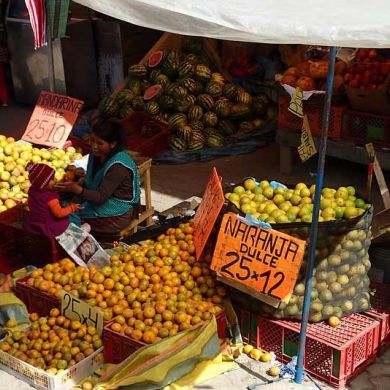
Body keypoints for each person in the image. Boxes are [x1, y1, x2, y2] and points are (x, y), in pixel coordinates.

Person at [55, 118, 140, 240]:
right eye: (92, 141)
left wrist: (76, 190)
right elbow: (90, 184)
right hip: (98, 200)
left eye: (100, 143)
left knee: (65, 215)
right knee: (61, 207)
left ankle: (81, 232)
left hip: (118, 213)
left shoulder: (118, 166)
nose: (94, 146)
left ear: (113, 144)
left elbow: (100, 197)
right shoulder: (96, 155)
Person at [24, 163, 81, 237]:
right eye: (52, 179)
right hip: (49, 226)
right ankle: (79, 230)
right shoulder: (50, 198)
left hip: (36, 222)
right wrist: (72, 207)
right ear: (43, 184)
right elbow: (59, 213)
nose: (55, 179)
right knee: (72, 219)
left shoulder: (32, 190)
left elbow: (31, 203)